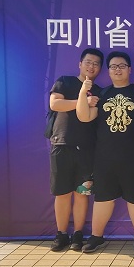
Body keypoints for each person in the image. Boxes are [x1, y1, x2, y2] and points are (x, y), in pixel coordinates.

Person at [76, 51, 134, 253]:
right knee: (103, 198)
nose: (117, 70)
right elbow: (84, 117)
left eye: (122, 66)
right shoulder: (102, 94)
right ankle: (97, 236)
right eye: (113, 66)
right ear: (108, 71)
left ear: (129, 69)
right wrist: (82, 93)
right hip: (105, 158)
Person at [48, 48, 104, 252]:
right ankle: (61, 234)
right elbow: (55, 104)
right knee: (62, 193)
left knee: (82, 194)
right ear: (80, 64)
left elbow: (88, 117)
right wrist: (82, 100)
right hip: (61, 144)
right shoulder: (65, 81)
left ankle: (78, 234)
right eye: (88, 62)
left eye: (96, 64)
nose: (91, 66)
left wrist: (88, 101)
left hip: (86, 149)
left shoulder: (99, 92)